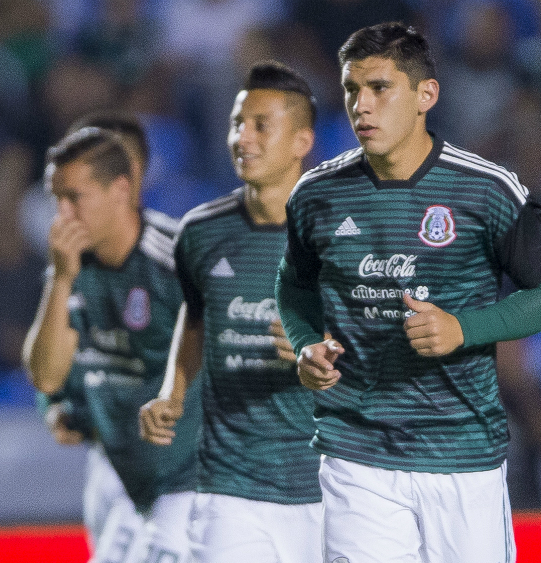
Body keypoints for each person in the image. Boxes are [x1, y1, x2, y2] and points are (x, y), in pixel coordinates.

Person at [274, 22, 541, 563]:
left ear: (425, 95)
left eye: (380, 88)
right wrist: (303, 346)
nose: (361, 105)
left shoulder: (488, 189)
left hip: (462, 454)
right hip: (355, 453)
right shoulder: (316, 195)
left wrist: (465, 328)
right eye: (351, 89)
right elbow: (292, 289)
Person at [139, 61, 322, 563]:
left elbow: (379, 342)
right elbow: (196, 317)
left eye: (262, 125)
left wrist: (321, 348)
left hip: (325, 486)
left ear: (302, 141)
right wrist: (171, 393)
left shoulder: (340, 236)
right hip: (228, 483)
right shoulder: (200, 232)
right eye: (238, 124)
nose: (243, 137)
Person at [22, 126, 199, 563]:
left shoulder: (176, 260)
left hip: (192, 486)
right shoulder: (70, 267)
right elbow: (46, 376)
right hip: (127, 483)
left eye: (73, 198)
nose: (61, 214)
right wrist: (60, 279)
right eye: (55, 199)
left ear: (121, 190)